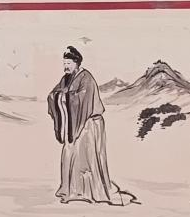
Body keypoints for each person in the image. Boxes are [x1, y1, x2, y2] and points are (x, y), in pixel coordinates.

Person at [46, 46, 135, 205]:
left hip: (88, 124)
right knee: (70, 154)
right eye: (64, 63)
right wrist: (59, 97)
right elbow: (53, 94)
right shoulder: (66, 79)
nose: (66, 66)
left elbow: (82, 99)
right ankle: (71, 189)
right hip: (74, 125)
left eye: (69, 63)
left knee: (86, 157)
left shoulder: (86, 78)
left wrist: (65, 97)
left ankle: (87, 190)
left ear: (77, 63)